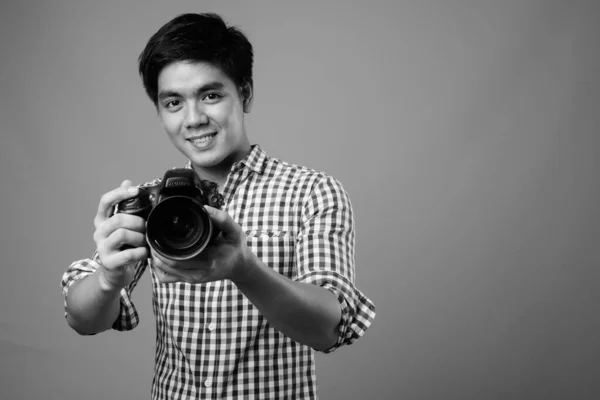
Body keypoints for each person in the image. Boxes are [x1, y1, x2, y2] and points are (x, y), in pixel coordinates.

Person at [61, 12, 375, 399]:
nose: (194, 119)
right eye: (173, 102)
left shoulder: (312, 192)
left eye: (210, 95)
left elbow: (331, 328)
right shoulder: (151, 203)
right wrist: (108, 280)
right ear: (160, 113)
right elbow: (82, 319)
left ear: (245, 93)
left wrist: (245, 269)